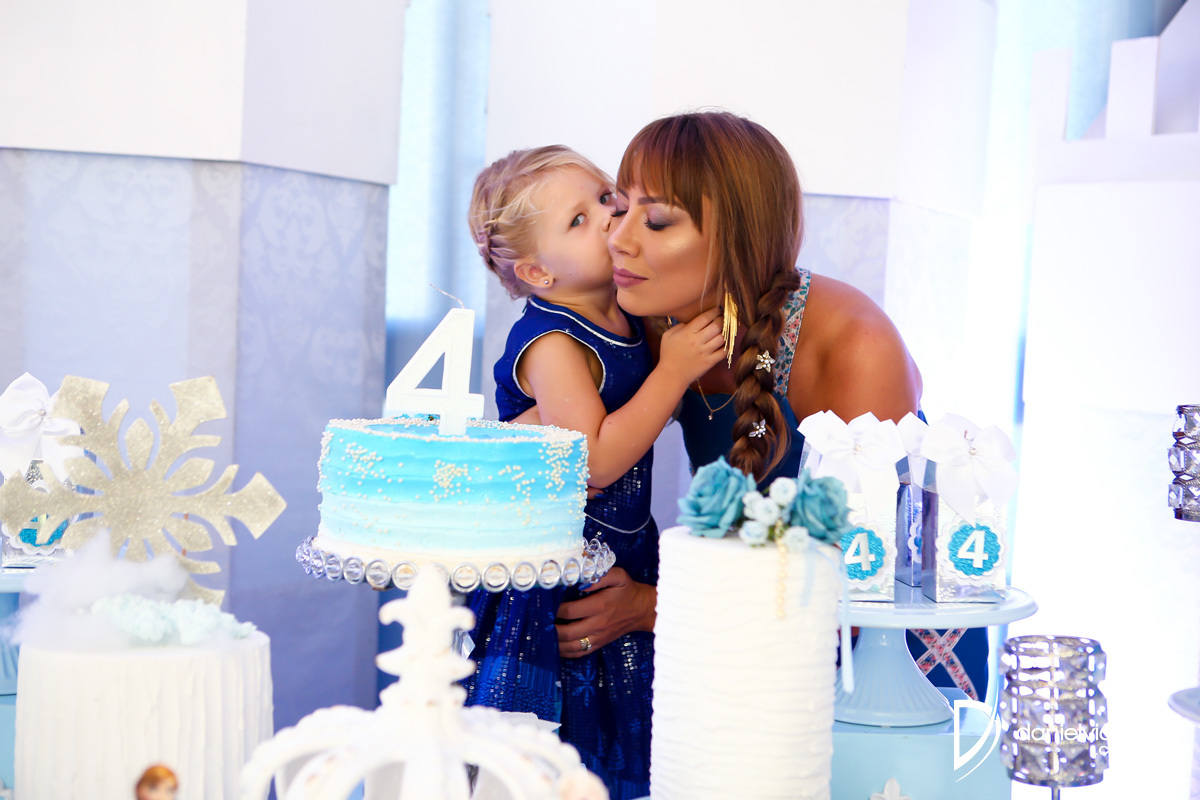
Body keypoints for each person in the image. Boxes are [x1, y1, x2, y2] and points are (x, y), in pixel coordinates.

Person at [563, 109, 985, 702]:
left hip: (889, 667)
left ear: (739, 237)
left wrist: (651, 607)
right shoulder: (654, 319)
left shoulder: (854, 346)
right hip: (750, 645)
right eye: (620, 207)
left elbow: (861, 590)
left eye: (656, 220)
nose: (619, 238)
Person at [463, 144, 724, 799]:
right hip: (556, 574)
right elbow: (596, 462)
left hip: (624, 551)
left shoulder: (628, 314)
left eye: (606, 198)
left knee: (631, 717)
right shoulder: (555, 342)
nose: (610, 217)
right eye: (579, 220)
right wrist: (674, 371)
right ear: (538, 273)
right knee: (563, 745)